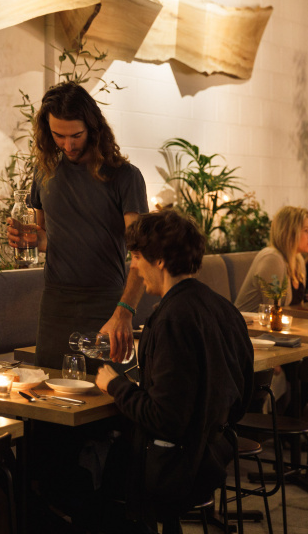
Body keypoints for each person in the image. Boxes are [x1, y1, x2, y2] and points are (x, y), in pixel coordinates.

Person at [96, 210, 254, 532]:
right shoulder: (223, 308)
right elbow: (242, 395)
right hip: (212, 456)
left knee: (83, 479)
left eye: (137, 257)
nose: (134, 267)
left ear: (160, 260)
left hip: (170, 469)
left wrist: (115, 385)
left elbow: (164, 418)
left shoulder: (172, 319)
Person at [9, 81, 149, 369]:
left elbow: (143, 253)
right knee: (48, 388)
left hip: (107, 303)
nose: (68, 145)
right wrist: (33, 240)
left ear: (93, 128)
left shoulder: (125, 176)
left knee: (110, 389)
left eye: (76, 135)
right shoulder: (44, 172)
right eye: (59, 136)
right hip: (55, 304)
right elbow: (48, 238)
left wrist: (125, 311)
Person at [235, 206, 308, 312]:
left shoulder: (298, 260)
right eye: (306, 230)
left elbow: (297, 309)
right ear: (289, 232)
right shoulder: (272, 259)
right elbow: (272, 311)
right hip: (249, 321)